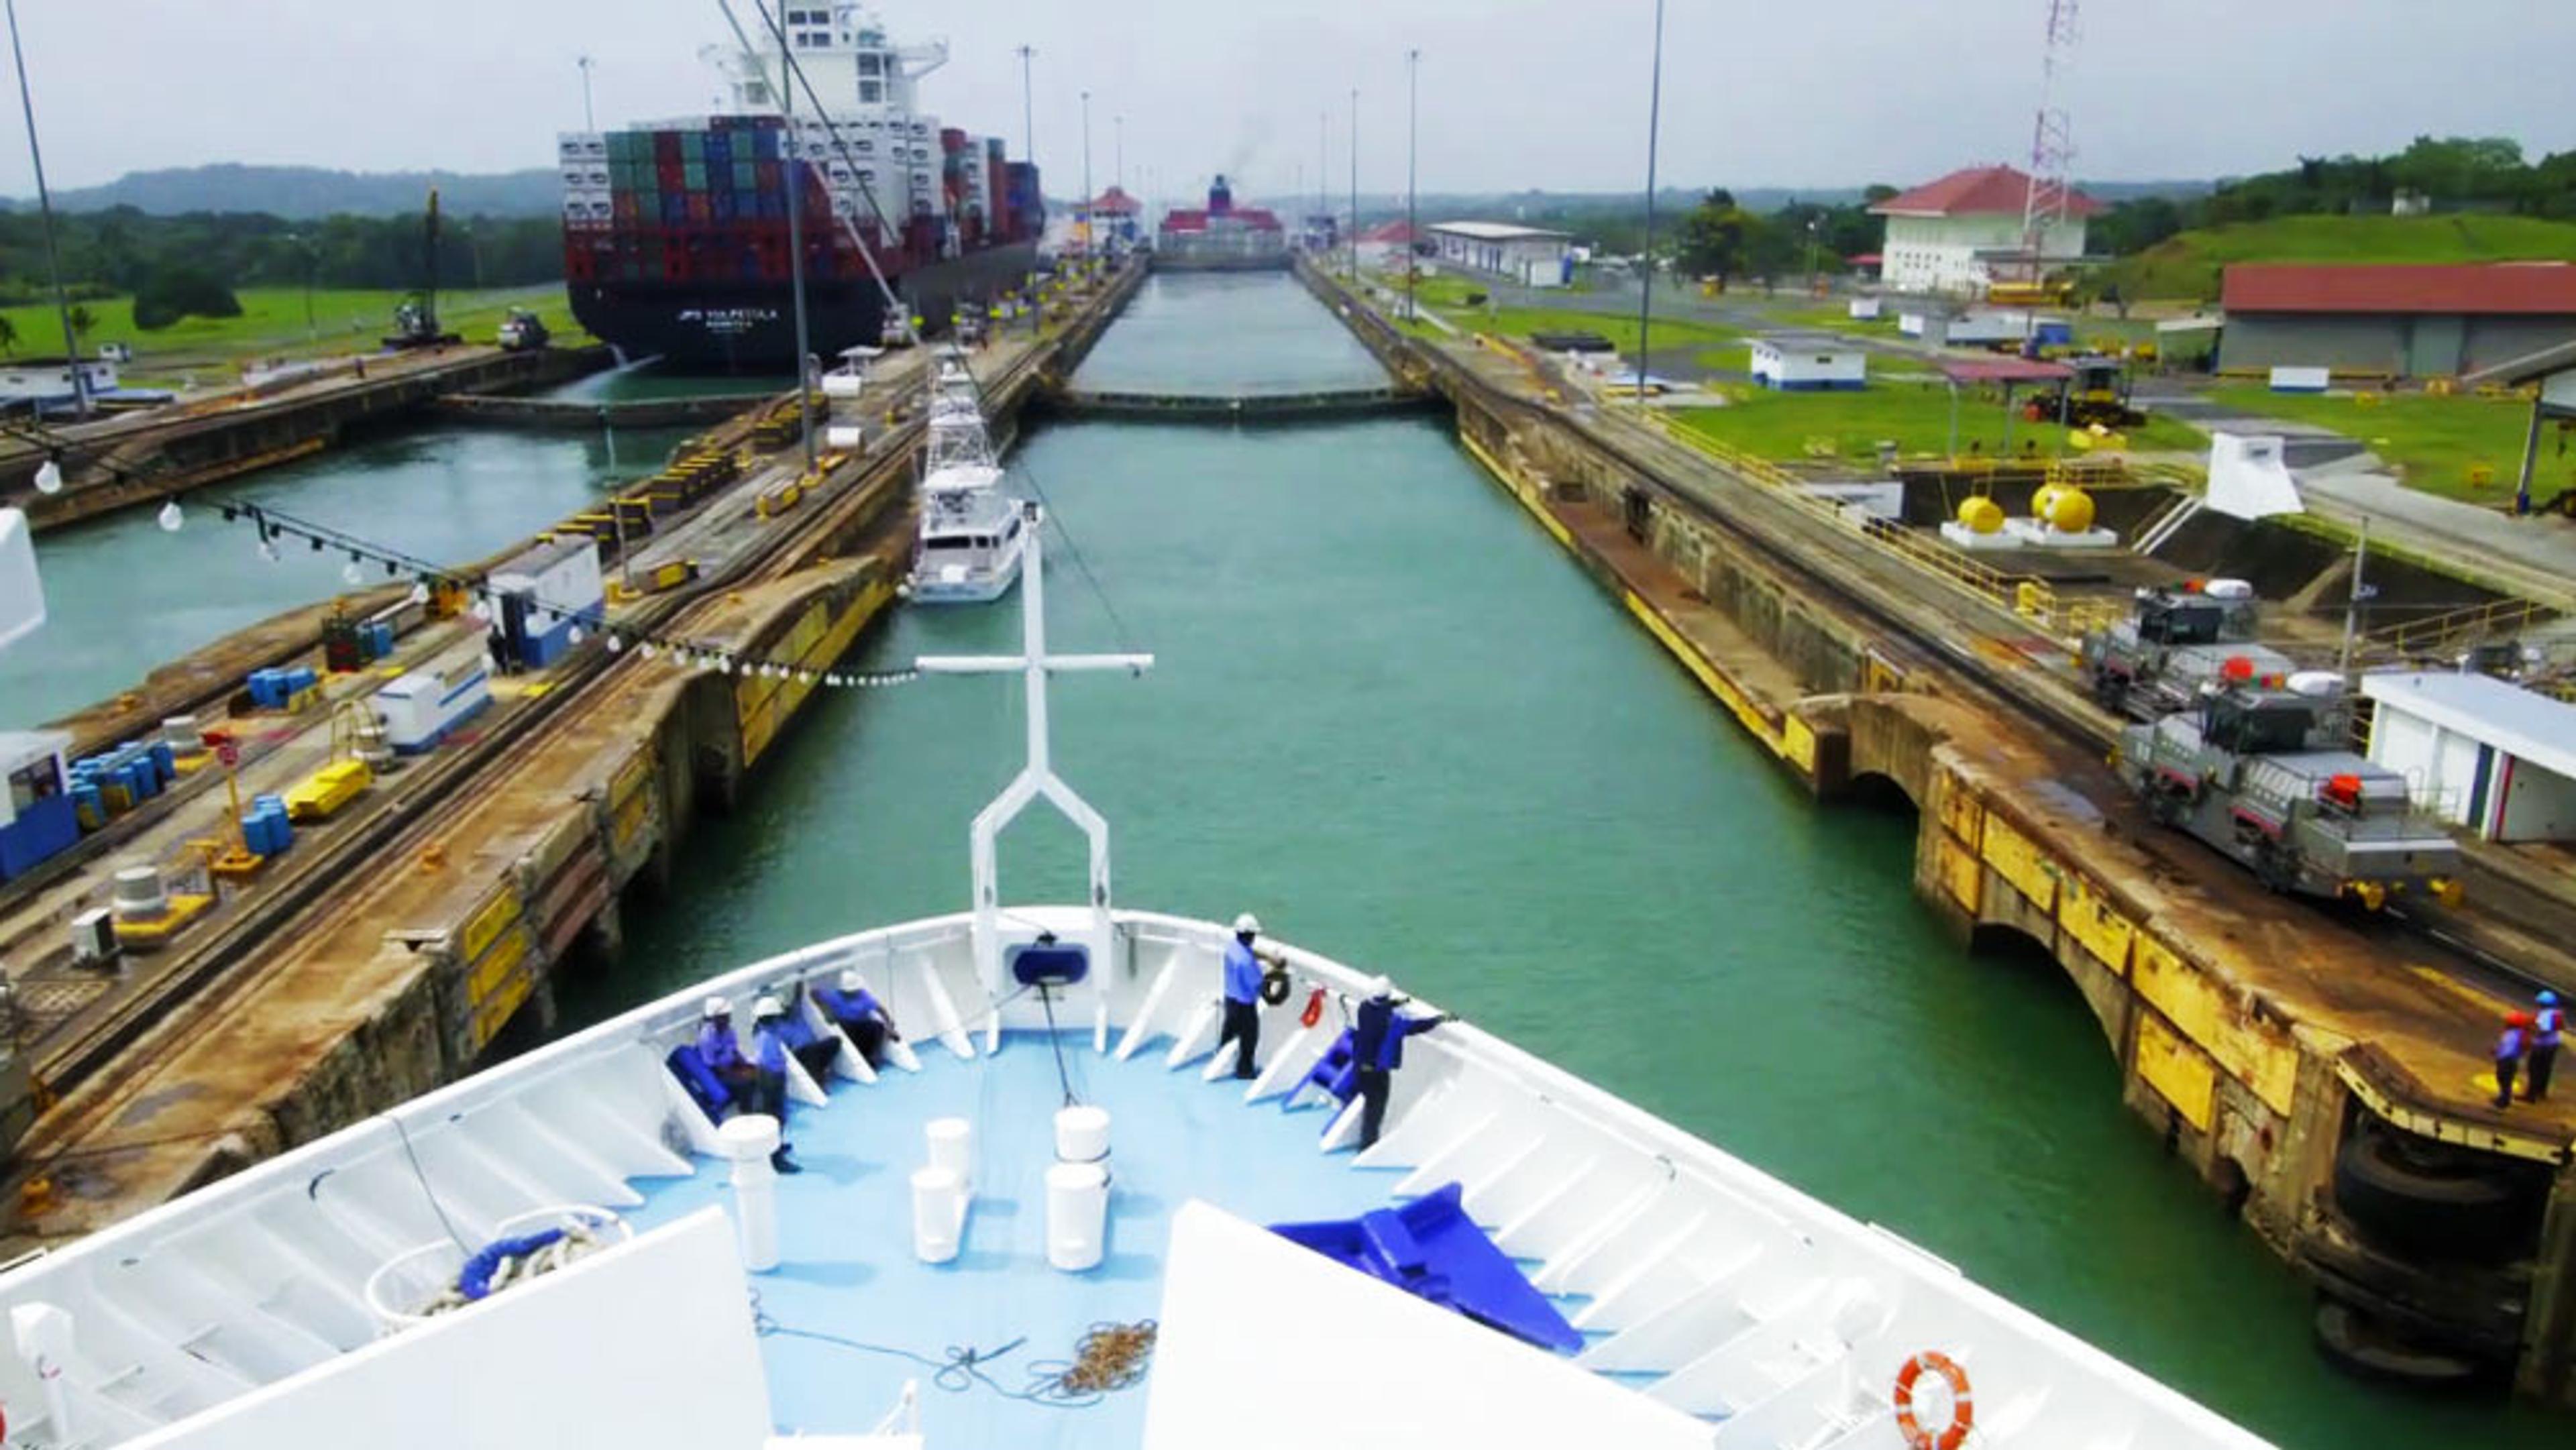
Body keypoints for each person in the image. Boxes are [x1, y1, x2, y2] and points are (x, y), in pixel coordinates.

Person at [1352, 976, 1448, 1150]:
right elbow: (1416, 1027)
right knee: (1376, 1108)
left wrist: (1397, 1003)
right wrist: (1439, 1019)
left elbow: (1379, 1008)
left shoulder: (1364, 1009)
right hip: (1376, 1071)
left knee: (1368, 1103)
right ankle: (1367, 1147)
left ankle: (1365, 1140)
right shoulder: (1391, 1021)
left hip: (1359, 1066)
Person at [1216, 912, 1285, 1080]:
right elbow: (1259, 985)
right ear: (1250, 935)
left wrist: (1268, 958)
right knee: (1249, 1039)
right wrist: (1277, 973)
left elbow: (1249, 952)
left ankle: (1219, 1059)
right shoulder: (1246, 962)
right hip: (1245, 1006)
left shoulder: (1233, 948)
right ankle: (1245, 1071)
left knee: (1229, 1029)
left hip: (1230, 998)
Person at [749, 995, 803, 1174]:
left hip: (770, 1077)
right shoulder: (768, 1036)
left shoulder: (762, 1030)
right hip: (771, 1079)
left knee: (778, 1116)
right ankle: (776, 1158)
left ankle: (777, 1146)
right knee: (776, 1117)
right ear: (772, 1018)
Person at [824, 968, 900, 1070]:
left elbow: (881, 1010)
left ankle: (872, 1057)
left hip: (862, 1028)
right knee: (846, 1025)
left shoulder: (862, 994)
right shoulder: (834, 996)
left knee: (878, 1026)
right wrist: (829, 1013)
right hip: (847, 1028)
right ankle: (865, 1057)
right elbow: (815, 994)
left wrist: (889, 1027)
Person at [696, 997, 755, 1107]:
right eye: (724, 1017)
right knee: (745, 1083)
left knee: (757, 1073)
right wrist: (738, 1074)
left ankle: (745, 1098)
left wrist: (746, 1065)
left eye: (728, 1016)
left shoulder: (729, 1030)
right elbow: (712, 1065)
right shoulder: (706, 1037)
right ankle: (746, 1112)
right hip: (718, 1074)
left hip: (732, 1066)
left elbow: (734, 1051)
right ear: (714, 1018)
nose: (729, 1020)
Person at [2530, 992, 2565, 1103]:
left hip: (2542, 1046)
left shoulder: (2545, 1015)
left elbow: (2542, 1031)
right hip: (2553, 1044)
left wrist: (2531, 1031)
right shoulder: (2557, 1013)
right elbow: (2561, 1027)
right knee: (2546, 1069)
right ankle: (2542, 1092)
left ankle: (2531, 1094)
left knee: (2534, 1069)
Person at [2495, 1011, 2534, 1111]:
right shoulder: (2509, 1033)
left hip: (2509, 1061)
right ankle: (2502, 1097)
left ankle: (2504, 1101)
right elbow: (2504, 1044)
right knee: (2501, 1079)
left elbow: (2526, 1045)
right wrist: (2497, 1050)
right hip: (2504, 1059)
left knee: (2506, 1081)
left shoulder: (2520, 1034)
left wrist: (2527, 1030)